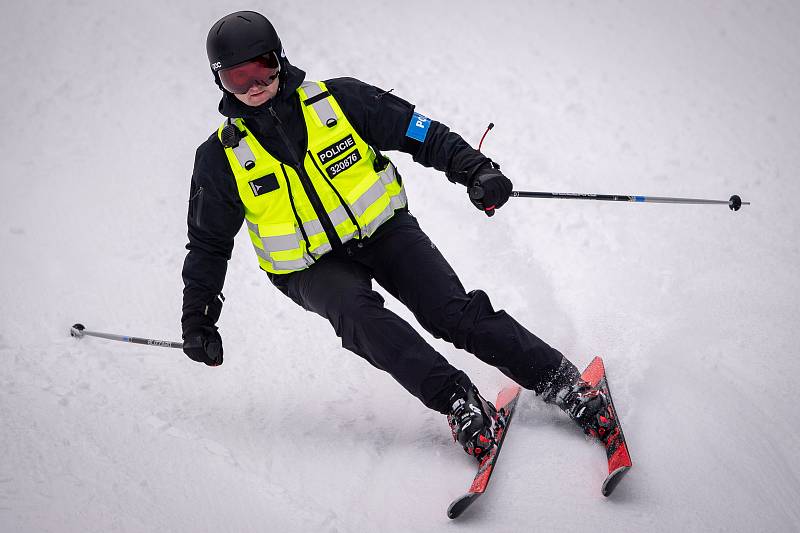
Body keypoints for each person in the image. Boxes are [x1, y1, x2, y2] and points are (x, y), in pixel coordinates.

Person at [181, 10, 615, 459]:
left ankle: (563, 384)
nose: (255, 85)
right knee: (358, 316)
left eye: (263, 67)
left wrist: (475, 169)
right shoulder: (220, 158)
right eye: (238, 77)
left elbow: (418, 131)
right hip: (311, 268)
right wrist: (198, 318)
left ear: (281, 59)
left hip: (384, 231)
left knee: (451, 313)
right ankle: (457, 401)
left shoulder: (338, 101)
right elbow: (209, 244)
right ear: (221, 82)